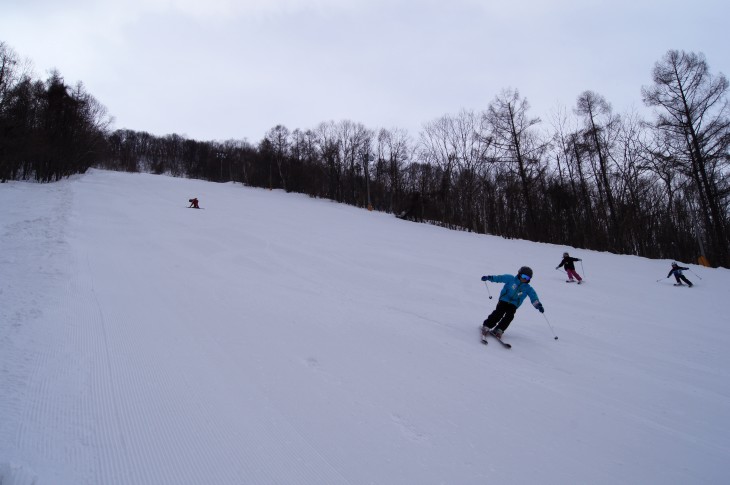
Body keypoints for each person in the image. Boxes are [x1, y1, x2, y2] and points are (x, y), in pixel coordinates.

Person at [480, 266, 544, 338]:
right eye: (524, 276)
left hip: (514, 304)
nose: (525, 279)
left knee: (510, 316)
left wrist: (538, 305)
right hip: (504, 300)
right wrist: (489, 278)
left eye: (527, 278)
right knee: (499, 312)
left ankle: (499, 329)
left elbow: (533, 297)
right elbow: (499, 278)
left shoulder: (528, 288)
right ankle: (487, 325)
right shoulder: (510, 279)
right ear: (519, 274)